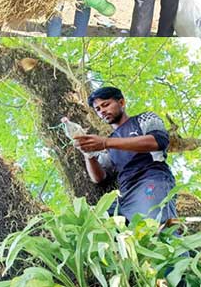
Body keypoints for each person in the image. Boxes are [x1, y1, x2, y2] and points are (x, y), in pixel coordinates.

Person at [71, 86, 177, 224]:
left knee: (153, 228)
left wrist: (105, 142)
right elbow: (99, 177)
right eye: (98, 109)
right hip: (124, 195)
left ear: (121, 103)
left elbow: (157, 141)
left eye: (106, 104)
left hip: (151, 181)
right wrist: (88, 153)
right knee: (91, 225)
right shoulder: (109, 143)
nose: (102, 111)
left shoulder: (143, 119)